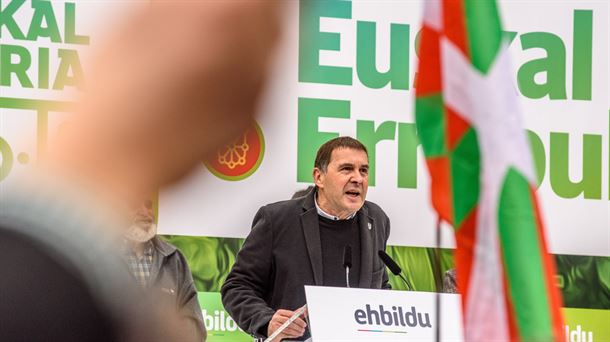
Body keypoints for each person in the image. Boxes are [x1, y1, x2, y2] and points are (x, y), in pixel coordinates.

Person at [1, 2, 280, 340]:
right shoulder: (61, 287)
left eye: (149, 200)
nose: (144, 205)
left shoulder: (170, 260)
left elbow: (194, 326)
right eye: (137, 198)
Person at [221, 137, 392, 341]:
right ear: (319, 177)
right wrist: (266, 321)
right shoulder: (277, 219)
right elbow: (237, 286)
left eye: (363, 170)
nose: (358, 178)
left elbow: (380, 288)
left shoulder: (376, 219)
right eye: (346, 169)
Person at [123, 200, 206, 341]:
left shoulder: (174, 259)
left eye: (148, 205)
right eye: (135, 205)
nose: (146, 213)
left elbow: (193, 322)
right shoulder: (98, 256)